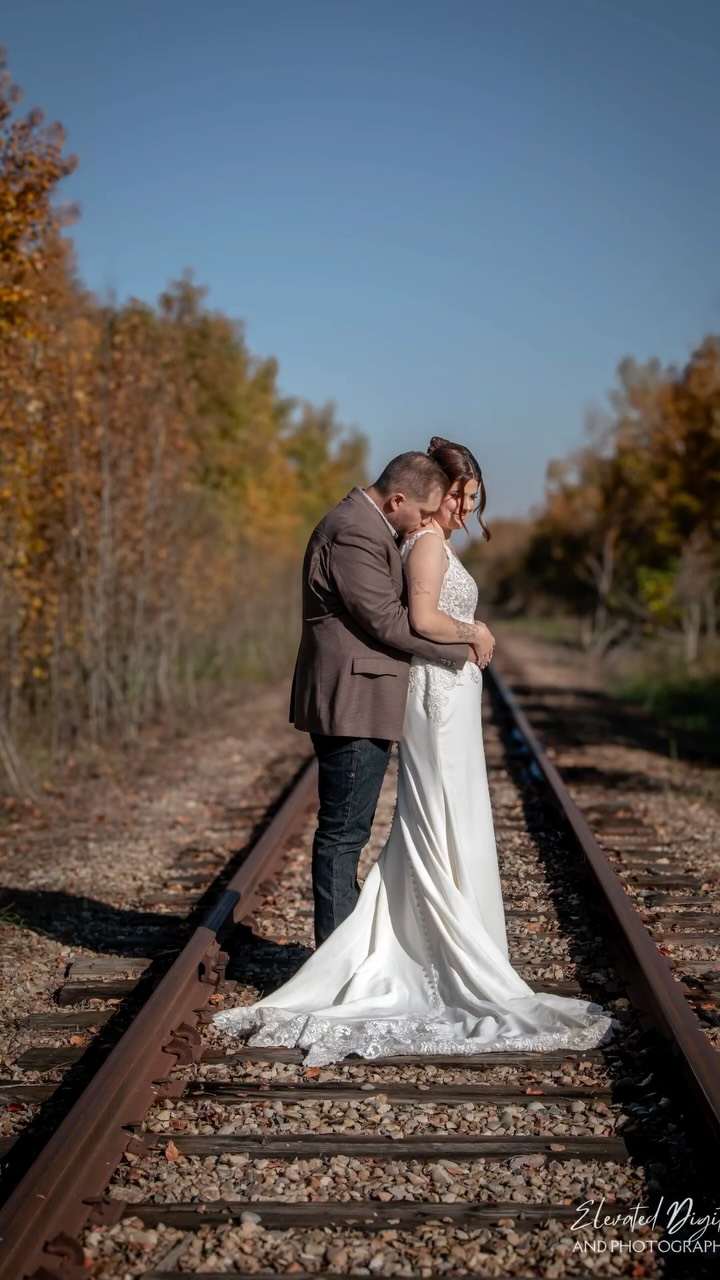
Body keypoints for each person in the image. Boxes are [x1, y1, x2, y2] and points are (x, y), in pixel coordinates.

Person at [213, 439, 612, 1064]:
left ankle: (359, 952)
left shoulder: (380, 530)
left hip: (378, 694)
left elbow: (396, 618)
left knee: (375, 828)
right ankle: (338, 962)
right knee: (347, 833)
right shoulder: (356, 532)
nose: (432, 519)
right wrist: (470, 641)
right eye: (447, 502)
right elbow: (394, 621)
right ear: (407, 498)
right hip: (355, 696)